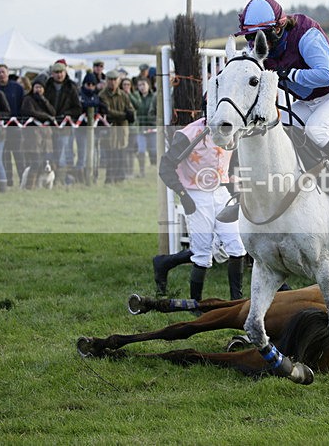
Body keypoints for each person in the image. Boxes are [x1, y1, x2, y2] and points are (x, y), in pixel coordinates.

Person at [235, 0, 329, 214]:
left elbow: (327, 75)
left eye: (258, 35)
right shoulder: (262, 47)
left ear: (278, 29)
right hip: (307, 101)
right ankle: (247, 198)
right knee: (273, 133)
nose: (254, 42)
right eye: (250, 37)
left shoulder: (306, 35)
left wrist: (291, 74)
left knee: (316, 129)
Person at [155, 115, 247, 301]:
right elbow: (165, 166)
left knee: (237, 247)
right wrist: (183, 195)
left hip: (221, 192)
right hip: (195, 193)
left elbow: (234, 160)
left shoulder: (233, 129)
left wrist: (236, 185)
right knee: (203, 253)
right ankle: (195, 304)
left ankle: (236, 301)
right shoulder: (189, 134)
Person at [44, 62, 82, 183]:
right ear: (52, 74)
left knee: (65, 154)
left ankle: (65, 179)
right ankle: (52, 179)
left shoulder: (71, 87)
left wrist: (65, 115)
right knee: (52, 154)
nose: (59, 75)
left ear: (65, 73)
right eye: (56, 73)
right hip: (50, 126)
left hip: (65, 126)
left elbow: (77, 107)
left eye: (61, 72)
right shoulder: (47, 86)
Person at [99, 70, 135, 183]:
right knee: (111, 155)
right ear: (106, 81)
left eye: (115, 80)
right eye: (110, 80)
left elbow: (131, 109)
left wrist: (129, 114)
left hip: (122, 129)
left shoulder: (123, 95)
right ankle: (109, 178)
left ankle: (120, 178)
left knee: (122, 154)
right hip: (110, 129)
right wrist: (125, 115)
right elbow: (108, 112)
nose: (112, 82)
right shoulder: (102, 95)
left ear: (118, 80)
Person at [20, 76, 56, 189]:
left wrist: (44, 102)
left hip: (46, 136)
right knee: (35, 162)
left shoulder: (45, 100)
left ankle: (43, 185)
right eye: (36, 87)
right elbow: (29, 112)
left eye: (40, 87)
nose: (38, 90)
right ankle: (29, 186)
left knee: (45, 161)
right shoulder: (28, 99)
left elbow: (53, 112)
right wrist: (46, 116)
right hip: (33, 134)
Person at [0, 63, 25, 188]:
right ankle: (8, 180)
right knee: (4, 155)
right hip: (0, 128)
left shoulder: (17, 88)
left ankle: (23, 180)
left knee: (18, 154)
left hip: (15, 126)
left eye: (3, 72)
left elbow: (22, 105)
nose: (1, 74)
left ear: (7, 73)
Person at [129, 77, 156, 176]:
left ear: (148, 85)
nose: (142, 87)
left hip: (153, 128)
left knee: (154, 151)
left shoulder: (154, 97)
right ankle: (142, 171)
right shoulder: (136, 97)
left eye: (143, 84)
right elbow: (137, 107)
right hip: (140, 128)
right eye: (139, 85)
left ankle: (156, 170)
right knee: (141, 150)